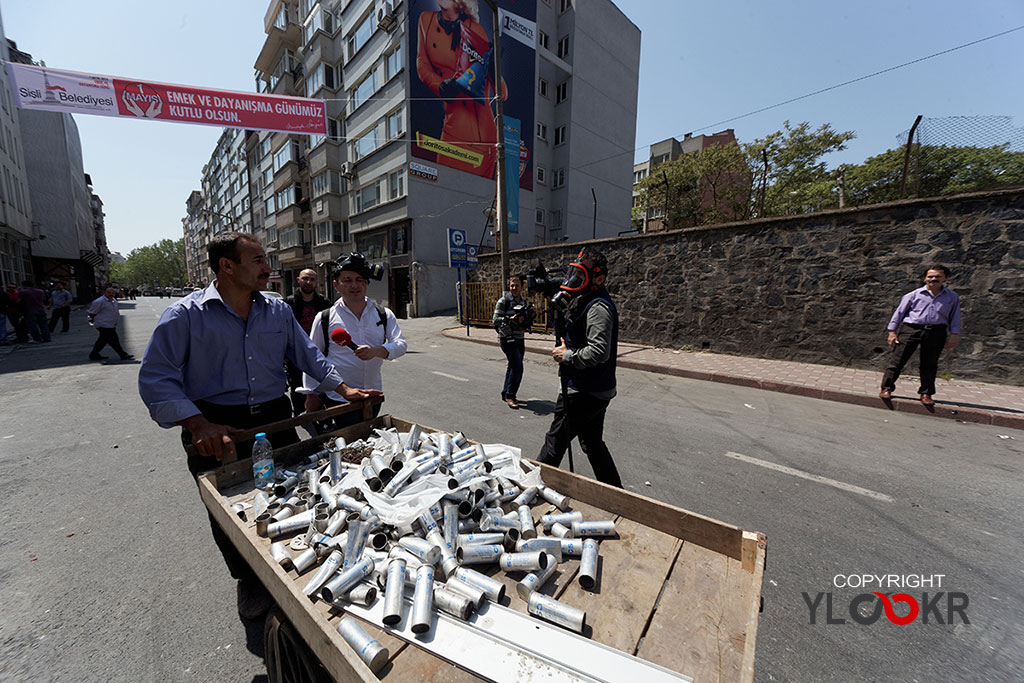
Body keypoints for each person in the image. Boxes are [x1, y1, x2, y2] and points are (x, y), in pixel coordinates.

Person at [137, 232, 381, 621]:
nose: (268, 268)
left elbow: (308, 355)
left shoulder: (276, 311)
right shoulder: (185, 316)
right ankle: (247, 577)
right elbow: (156, 378)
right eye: (257, 261)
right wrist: (197, 422)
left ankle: (299, 559)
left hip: (275, 418)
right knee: (230, 513)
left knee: (299, 491)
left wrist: (344, 386)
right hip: (218, 428)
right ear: (227, 266)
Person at [537, 248, 623, 488]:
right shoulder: (587, 299)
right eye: (574, 274)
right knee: (592, 444)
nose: (575, 281)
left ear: (599, 279)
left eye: (581, 276)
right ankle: (617, 495)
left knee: (554, 444)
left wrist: (568, 355)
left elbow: (598, 351)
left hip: (583, 391)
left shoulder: (598, 308)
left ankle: (530, 490)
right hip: (595, 388)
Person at [303, 253, 406, 431]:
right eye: (347, 280)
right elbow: (314, 358)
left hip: (373, 395)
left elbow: (401, 344)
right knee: (346, 442)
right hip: (339, 398)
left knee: (366, 440)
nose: (354, 285)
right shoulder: (325, 318)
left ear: (366, 283)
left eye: (359, 279)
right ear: (336, 284)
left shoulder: (384, 314)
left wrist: (377, 351)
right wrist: (311, 394)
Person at [416, 0, 507, 178]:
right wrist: (440, 86)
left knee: (475, 200)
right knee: (441, 194)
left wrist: (493, 68)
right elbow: (422, 64)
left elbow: (502, 93)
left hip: (480, 138)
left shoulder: (475, 29)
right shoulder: (425, 20)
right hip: (451, 130)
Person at [879, 265, 962, 406]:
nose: (933, 279)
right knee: (897, 360)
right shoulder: (913, 295)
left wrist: (954, 334)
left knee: (930, 364)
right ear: (925, 278)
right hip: (911, 329)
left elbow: (955, 316)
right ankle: (886, 388)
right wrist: (892, 331)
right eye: (930, 276)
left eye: (937, 276)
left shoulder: (952, 297)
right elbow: (899, 313)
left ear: (945, 278)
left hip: (936, 331)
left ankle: (926, 393)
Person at [284, 268, 332, 417]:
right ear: (298, 280)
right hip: (295, 353)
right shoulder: (288, 303)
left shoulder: (323, 302)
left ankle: (320, 414)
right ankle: (300, 415)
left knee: (321, 383)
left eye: (312, 279)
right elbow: (283, 330)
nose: (308, 282)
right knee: (297, 386)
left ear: (316, 282)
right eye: (305, 278)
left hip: (319, 352)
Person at [492, 274, 535, 409]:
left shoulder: (524, 303)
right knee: (518, 367)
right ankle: (511, 395)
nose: (514, 288)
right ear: (509, 287)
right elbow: (495, 320)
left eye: (517, 285)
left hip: (519, 338)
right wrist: (510, 319)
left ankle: (505, 392)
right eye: (512, 285)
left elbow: (527, 322)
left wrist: (525, 324)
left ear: (521, 287)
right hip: (507, 338)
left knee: (512, 365)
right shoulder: (503, 301)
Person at [87, 287, 132, 361]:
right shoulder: (99, 301)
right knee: (114, 340)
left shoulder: (114, 301)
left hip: (111, 324)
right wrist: (93, 321)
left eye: (112, 293)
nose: (111, 294)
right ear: (105, 293)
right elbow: (91, 313)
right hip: (103, 324)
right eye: (109, 292)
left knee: (103, 340)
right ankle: (122, 354)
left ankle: (94, 354)